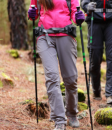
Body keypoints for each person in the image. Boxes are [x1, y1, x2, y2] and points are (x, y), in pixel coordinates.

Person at [28, 0, 85, 129]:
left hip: (65, 34)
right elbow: (34, 13)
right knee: (52, 77)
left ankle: (71, 113)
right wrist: (31, 13)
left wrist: (79, 17)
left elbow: (75, 13)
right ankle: (59, 120)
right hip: (44, 36)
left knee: (70, 79)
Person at [81, 0, 112, 104]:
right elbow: (84, 1)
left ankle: (111, 94)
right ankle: (96, 90)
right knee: (95, 58)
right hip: (94, 20)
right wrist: (87, 6)